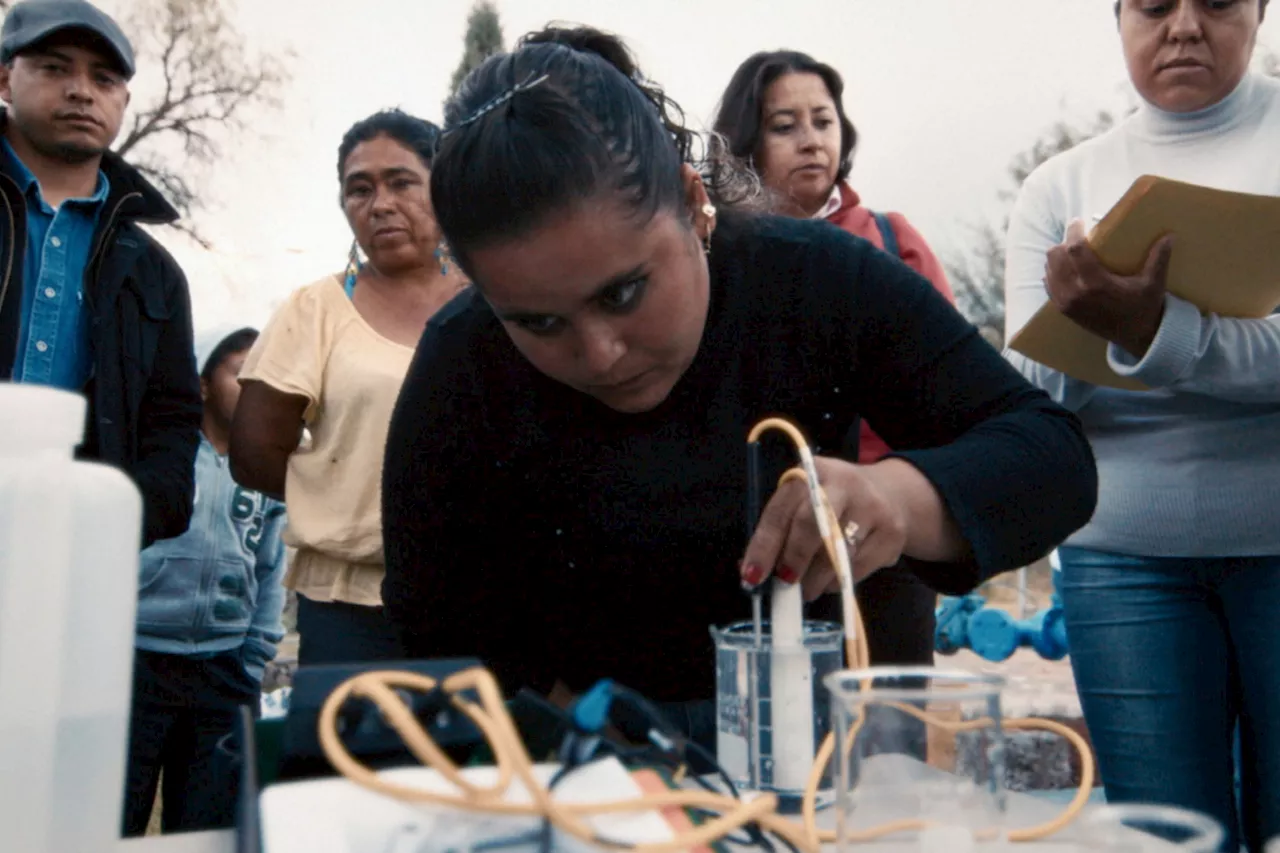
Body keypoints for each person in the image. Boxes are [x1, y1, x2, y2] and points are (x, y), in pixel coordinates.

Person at [380, 25, 1097, 751]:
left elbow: (1052, 457)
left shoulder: (818, 280)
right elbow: (432, 613)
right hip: (579, 751)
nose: (599, 353)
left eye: (624, 291)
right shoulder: (460, 360)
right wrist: (594, 741)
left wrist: (899, 498)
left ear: (692, 203)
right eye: (536, 321)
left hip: (821, 742)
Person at [1003, 1, 1279, 848]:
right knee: (1164, 839)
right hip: (1120, 563)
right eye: (1155, 5)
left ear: (1264, 9)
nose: (1185, 26)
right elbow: (1024, 392)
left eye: (1218, 2)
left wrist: (1157, 335)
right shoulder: (1059, 186)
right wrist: (1091, 318)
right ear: (1117, 17)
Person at [712, 50, 956, 673]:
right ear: (745, 139)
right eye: (784, 125)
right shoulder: (709, 250)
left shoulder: (891, 240)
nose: (811, 141)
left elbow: (948, 392)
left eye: (823, 121)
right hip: (746, 531)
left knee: (886, 737)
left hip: (880, 536)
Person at [230, 110, 468, 666]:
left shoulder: (495, 300)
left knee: (477, 750)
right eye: (358, 189)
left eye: (402, 182)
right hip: (351, 604)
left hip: (479, 595)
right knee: (353, 750)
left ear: (444, 187)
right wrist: (344, 505)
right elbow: (253, 452)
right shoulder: (316, 309)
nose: (380, 203)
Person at [0, 0, 200, 546]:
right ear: (5, 79)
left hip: (70, 559)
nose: (82, 90)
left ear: (124, 100)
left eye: (104, 78)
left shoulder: (155, 274)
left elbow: (174, 427)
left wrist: (120, 518)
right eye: (55, 67)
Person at [122, 326, 287, 837]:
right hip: (137, 662)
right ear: (203, 384)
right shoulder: (156, 454)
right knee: (112, 821)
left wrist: (254, 655)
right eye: (240, 374)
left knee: (209, 829)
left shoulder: (268, 466)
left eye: (265, 378)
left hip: (223, 670)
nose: (253, 388)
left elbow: (271, 565)